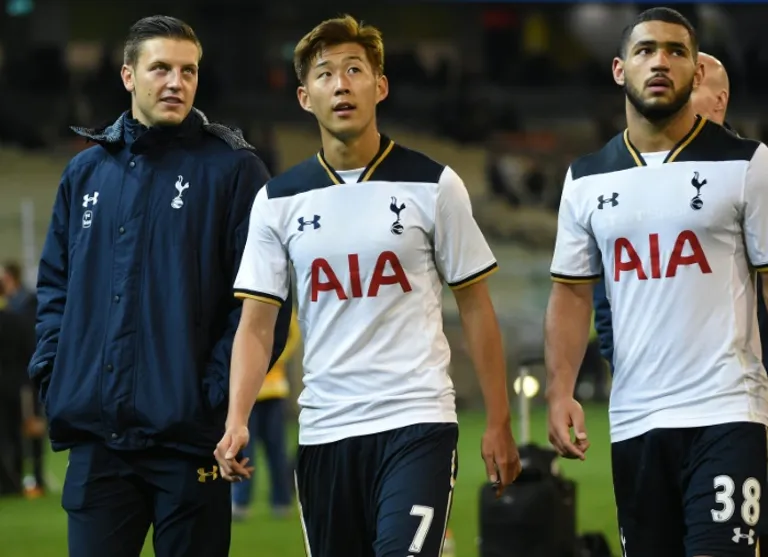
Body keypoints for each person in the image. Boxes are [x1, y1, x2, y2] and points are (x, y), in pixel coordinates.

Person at [214, 14, 521, 557]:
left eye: (354, 70)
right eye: (325, 74)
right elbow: (257, 326)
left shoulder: (434, 184)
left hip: (417, 422)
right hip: (325, 432)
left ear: (380, 86)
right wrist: (237, 417)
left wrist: (498, 421)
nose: (341, 84)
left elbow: (475, 306)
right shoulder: (277, 201)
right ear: (305, 97)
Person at [29, 15, 291, 557]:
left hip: (190, 443)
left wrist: (213, 396)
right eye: (161, 69)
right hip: (99, 443)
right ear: (128, 75)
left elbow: (263, 304)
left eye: (188, 71)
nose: (176, 82)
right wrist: (56, 376)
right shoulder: (85, 174)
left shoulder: (234, 170)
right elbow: (54, 289)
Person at [545, 7, 768, 557]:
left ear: (697, 70)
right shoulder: (585, 179)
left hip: (727, 410)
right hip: (636, 420)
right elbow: (571, 293)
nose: (660, 62)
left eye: (676, 51)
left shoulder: (746, 164)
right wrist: (560, 390)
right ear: (620, 69)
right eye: (645, 50)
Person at [592, 51, 751, 369]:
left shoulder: (752, 173)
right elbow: (607, 288)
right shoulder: (627, 179)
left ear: (719, 101)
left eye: (689, 88)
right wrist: (618, 358)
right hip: (648, 381)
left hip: (737, 382)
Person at [231, 308, 299, 521]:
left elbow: (294, 334)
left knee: (276, 451)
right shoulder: (241, 305)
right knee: (246, 451)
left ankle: (282, 501)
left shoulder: (281, 305)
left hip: (274, 391)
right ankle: (241, 502)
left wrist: (273, 355)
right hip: (248, 394)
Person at [1, 261, 45, 497]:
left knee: (15, 432)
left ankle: (16, 480)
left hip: (17, 381)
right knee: (21, 431)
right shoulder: (19, 315)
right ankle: (25, 478)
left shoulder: (26, 304)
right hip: (20, 381)